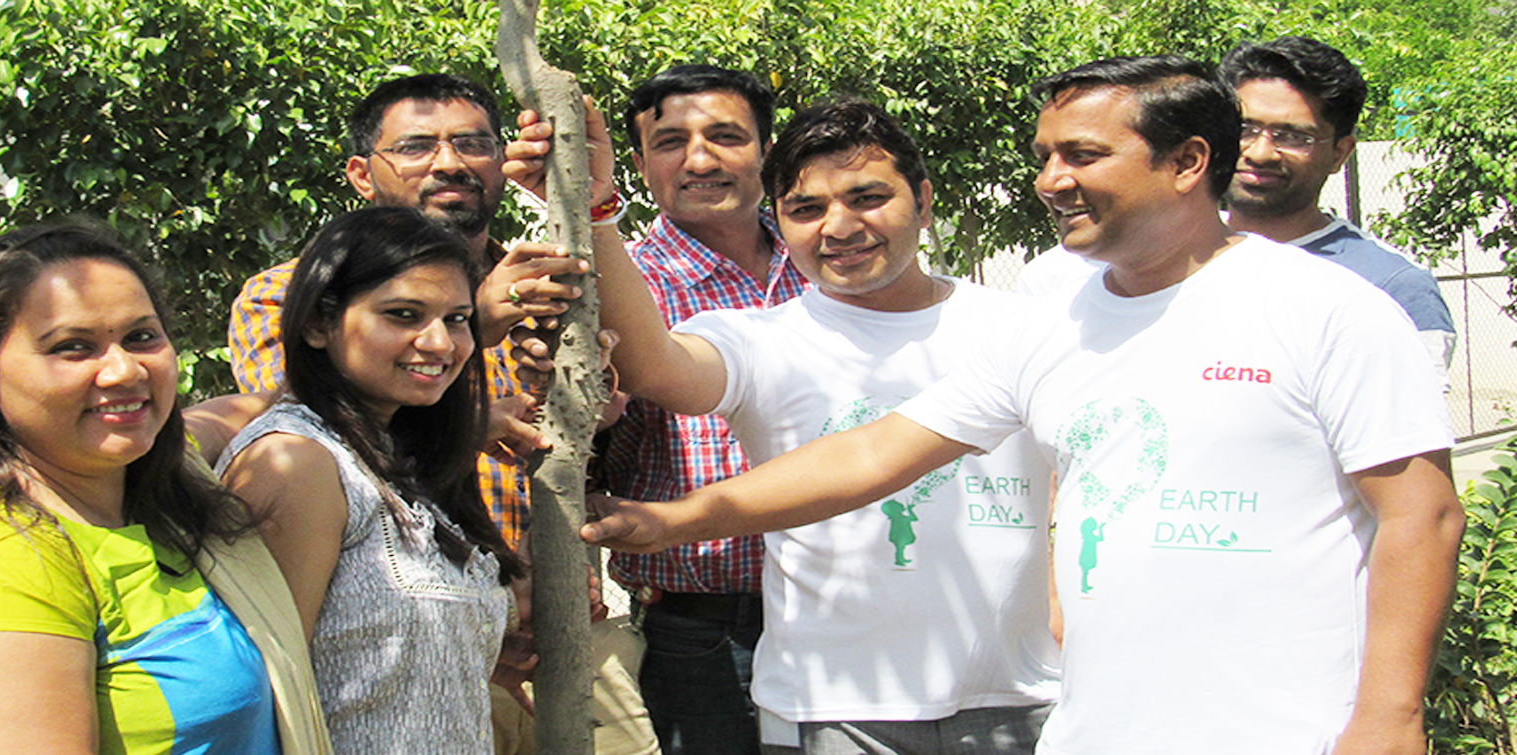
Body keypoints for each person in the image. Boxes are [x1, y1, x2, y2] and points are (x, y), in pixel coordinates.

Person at [584, 56, 1463, 755]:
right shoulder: (1060, 318)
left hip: (1283, 727)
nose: (1050, 180)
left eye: (1082, 155)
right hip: (1096, 726)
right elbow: (875, 454)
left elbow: (1420, 515)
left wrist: (1390, 716)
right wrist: (674, 522)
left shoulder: (1326, 307)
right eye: (1044, 155)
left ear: (1189, 161)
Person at [522, 99, 1057, 753]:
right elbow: (654, 367)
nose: (841, 226)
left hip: (1020, 698)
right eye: (807, 209)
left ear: (922, 197)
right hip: (833, 708)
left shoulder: (1026, 329)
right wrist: (597, 209)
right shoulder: (761, 339)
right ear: (779, 217)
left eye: (867, 197)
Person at [228, 73, 654, 755]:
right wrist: (477, 322)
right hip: (398, 647)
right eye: (418, 146)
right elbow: (325, 429)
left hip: (566, 636)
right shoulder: (287, 293)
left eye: (473, 143)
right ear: (363, 175)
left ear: (504, 161)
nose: (450, 163)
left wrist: (579, 372)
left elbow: (597, 421)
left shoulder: (544, 275)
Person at [0, 223, 308, 755]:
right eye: (72, 348)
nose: (122, 371)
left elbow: (222, 415)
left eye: (142, 337)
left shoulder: (153, 491)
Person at [513, 64, 808, 754]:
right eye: (671, 141)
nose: (700, 158)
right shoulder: (615, 281)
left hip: (849, 612)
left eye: (727, 136)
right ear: (640, 164)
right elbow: (585, 431)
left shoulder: (826, 264)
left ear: (766, 150)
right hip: (703, 634)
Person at [216, 206, 529, 754]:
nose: (440, 343)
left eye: (457, 319)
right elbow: (261, 692)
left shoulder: (406, 457)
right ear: (317, 323)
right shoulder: (298, 464)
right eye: (404, 315)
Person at [1220, 36, 1455, 381]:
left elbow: (1406, 429)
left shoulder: (1390, 285)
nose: (1260, 153)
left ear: (1340, 154)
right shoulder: (1162, 256)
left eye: (1293, 136)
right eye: (1244, 129)